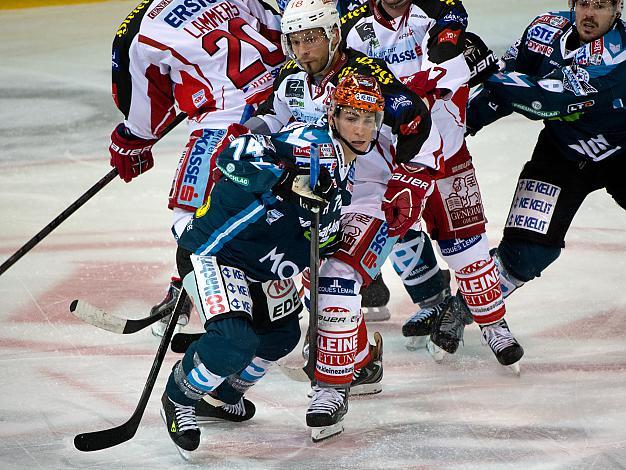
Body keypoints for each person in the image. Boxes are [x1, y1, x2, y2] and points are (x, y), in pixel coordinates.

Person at [160, 75, 390, 453]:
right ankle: (180, 396)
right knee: (236, 341)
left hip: (263, 265)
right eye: (352, 117)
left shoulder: (347, 168)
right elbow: (230, 155)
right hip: (216, 253)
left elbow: (315, 236)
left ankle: (221, 393)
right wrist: (283, 180)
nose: (362, 129)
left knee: (281, 336)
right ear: (332, 116)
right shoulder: (308, 144)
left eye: (370, 119)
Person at [245, 0, 440, 395]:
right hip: (316, 197)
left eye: (312, 39)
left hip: (370, 196)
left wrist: (408, 179)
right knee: (312, 274)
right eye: (295, 40)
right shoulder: (290, 76)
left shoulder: (365, 73)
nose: (303, 50)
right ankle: (363, 362)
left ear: (334, 35)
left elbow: (415, 119)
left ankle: (331, 390)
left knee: (335, 278)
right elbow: (269, 119)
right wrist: (243, 138)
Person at [341, 0, 524, 369]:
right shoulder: (352, 24)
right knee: (392, 233)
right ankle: (433, 305)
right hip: (389, 156)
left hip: (446, 151)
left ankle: (494, 323)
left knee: (465, 243)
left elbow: (451, 55)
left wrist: (434, 76)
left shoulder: (440, 7)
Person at [107, 0, 286, 337]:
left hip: (227, 125)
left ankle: (233, 307)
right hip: (285, 102)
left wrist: (132, 142)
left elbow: (144, 107)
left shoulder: (140, 29)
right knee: (291, 201)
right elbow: (280, 31)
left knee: (191, 221)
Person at [466, 1, 626, 317]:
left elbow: (545, 100)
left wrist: (487, 72)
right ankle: (460, 308)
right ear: (572, 3)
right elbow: (507, 83)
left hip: (622, 153)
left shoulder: (616, 56)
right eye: (584, 3)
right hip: (561, 152)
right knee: (525, 253)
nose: (590, 14)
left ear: (617, 9)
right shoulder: (544, 28)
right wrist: (464, 122)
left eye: (601, 5)